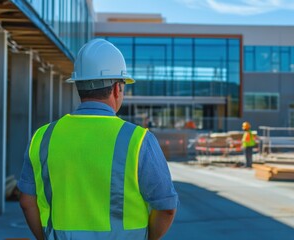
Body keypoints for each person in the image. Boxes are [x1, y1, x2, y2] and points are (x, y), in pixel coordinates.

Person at [18, 39, 178, 240]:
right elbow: (166, 207)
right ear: (117, 88)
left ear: (78, 86)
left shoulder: (42, 137)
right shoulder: (138, 140)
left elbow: (26, 201)